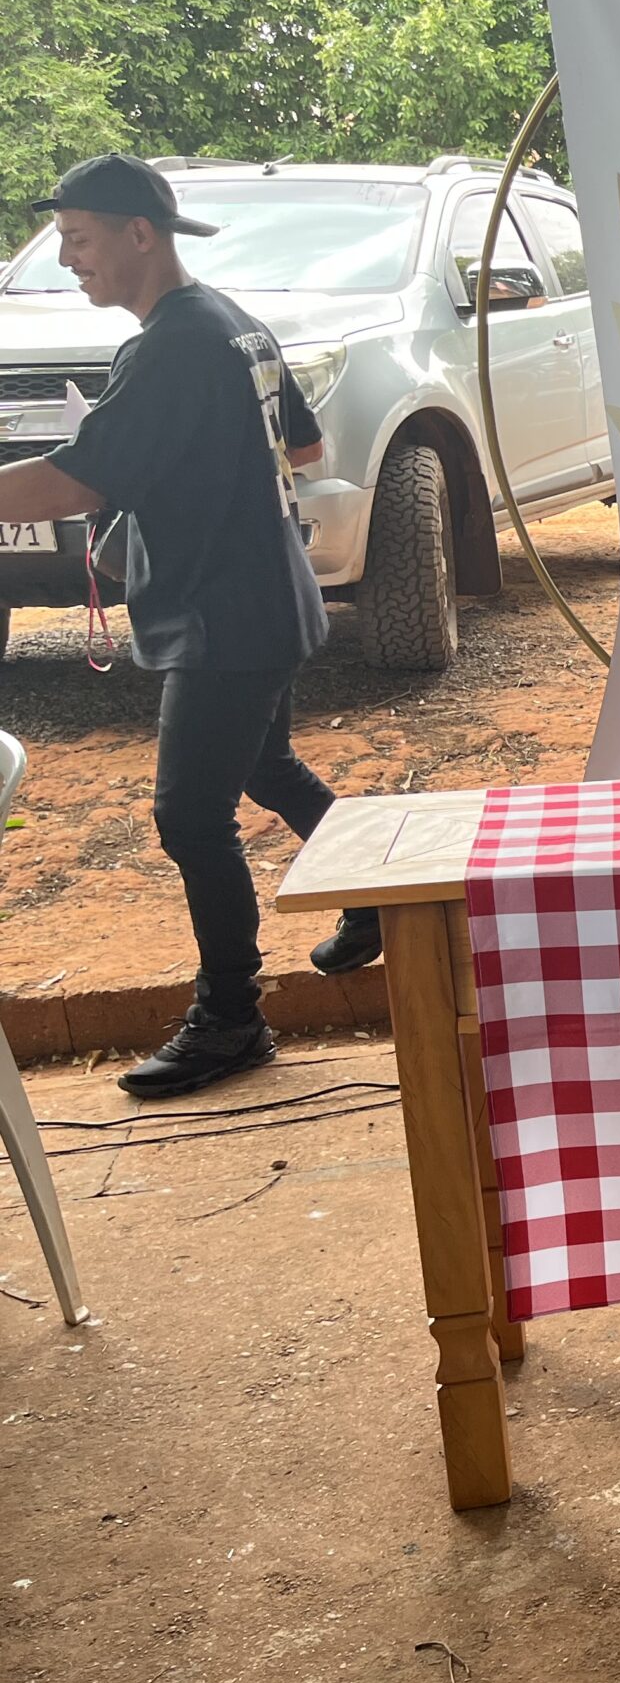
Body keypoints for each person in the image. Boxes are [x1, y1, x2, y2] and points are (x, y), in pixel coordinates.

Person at [0, 153, 379, 1101]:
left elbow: (75, 481)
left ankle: (232, 1019)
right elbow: (305, 442)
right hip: (267, 595)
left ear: (139, 234)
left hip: (225, 615)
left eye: (78, 240)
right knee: (266, 765)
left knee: (189, 818)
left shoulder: (171, 344)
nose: (68, 260)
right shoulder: (231, 321)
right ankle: (374, 899)